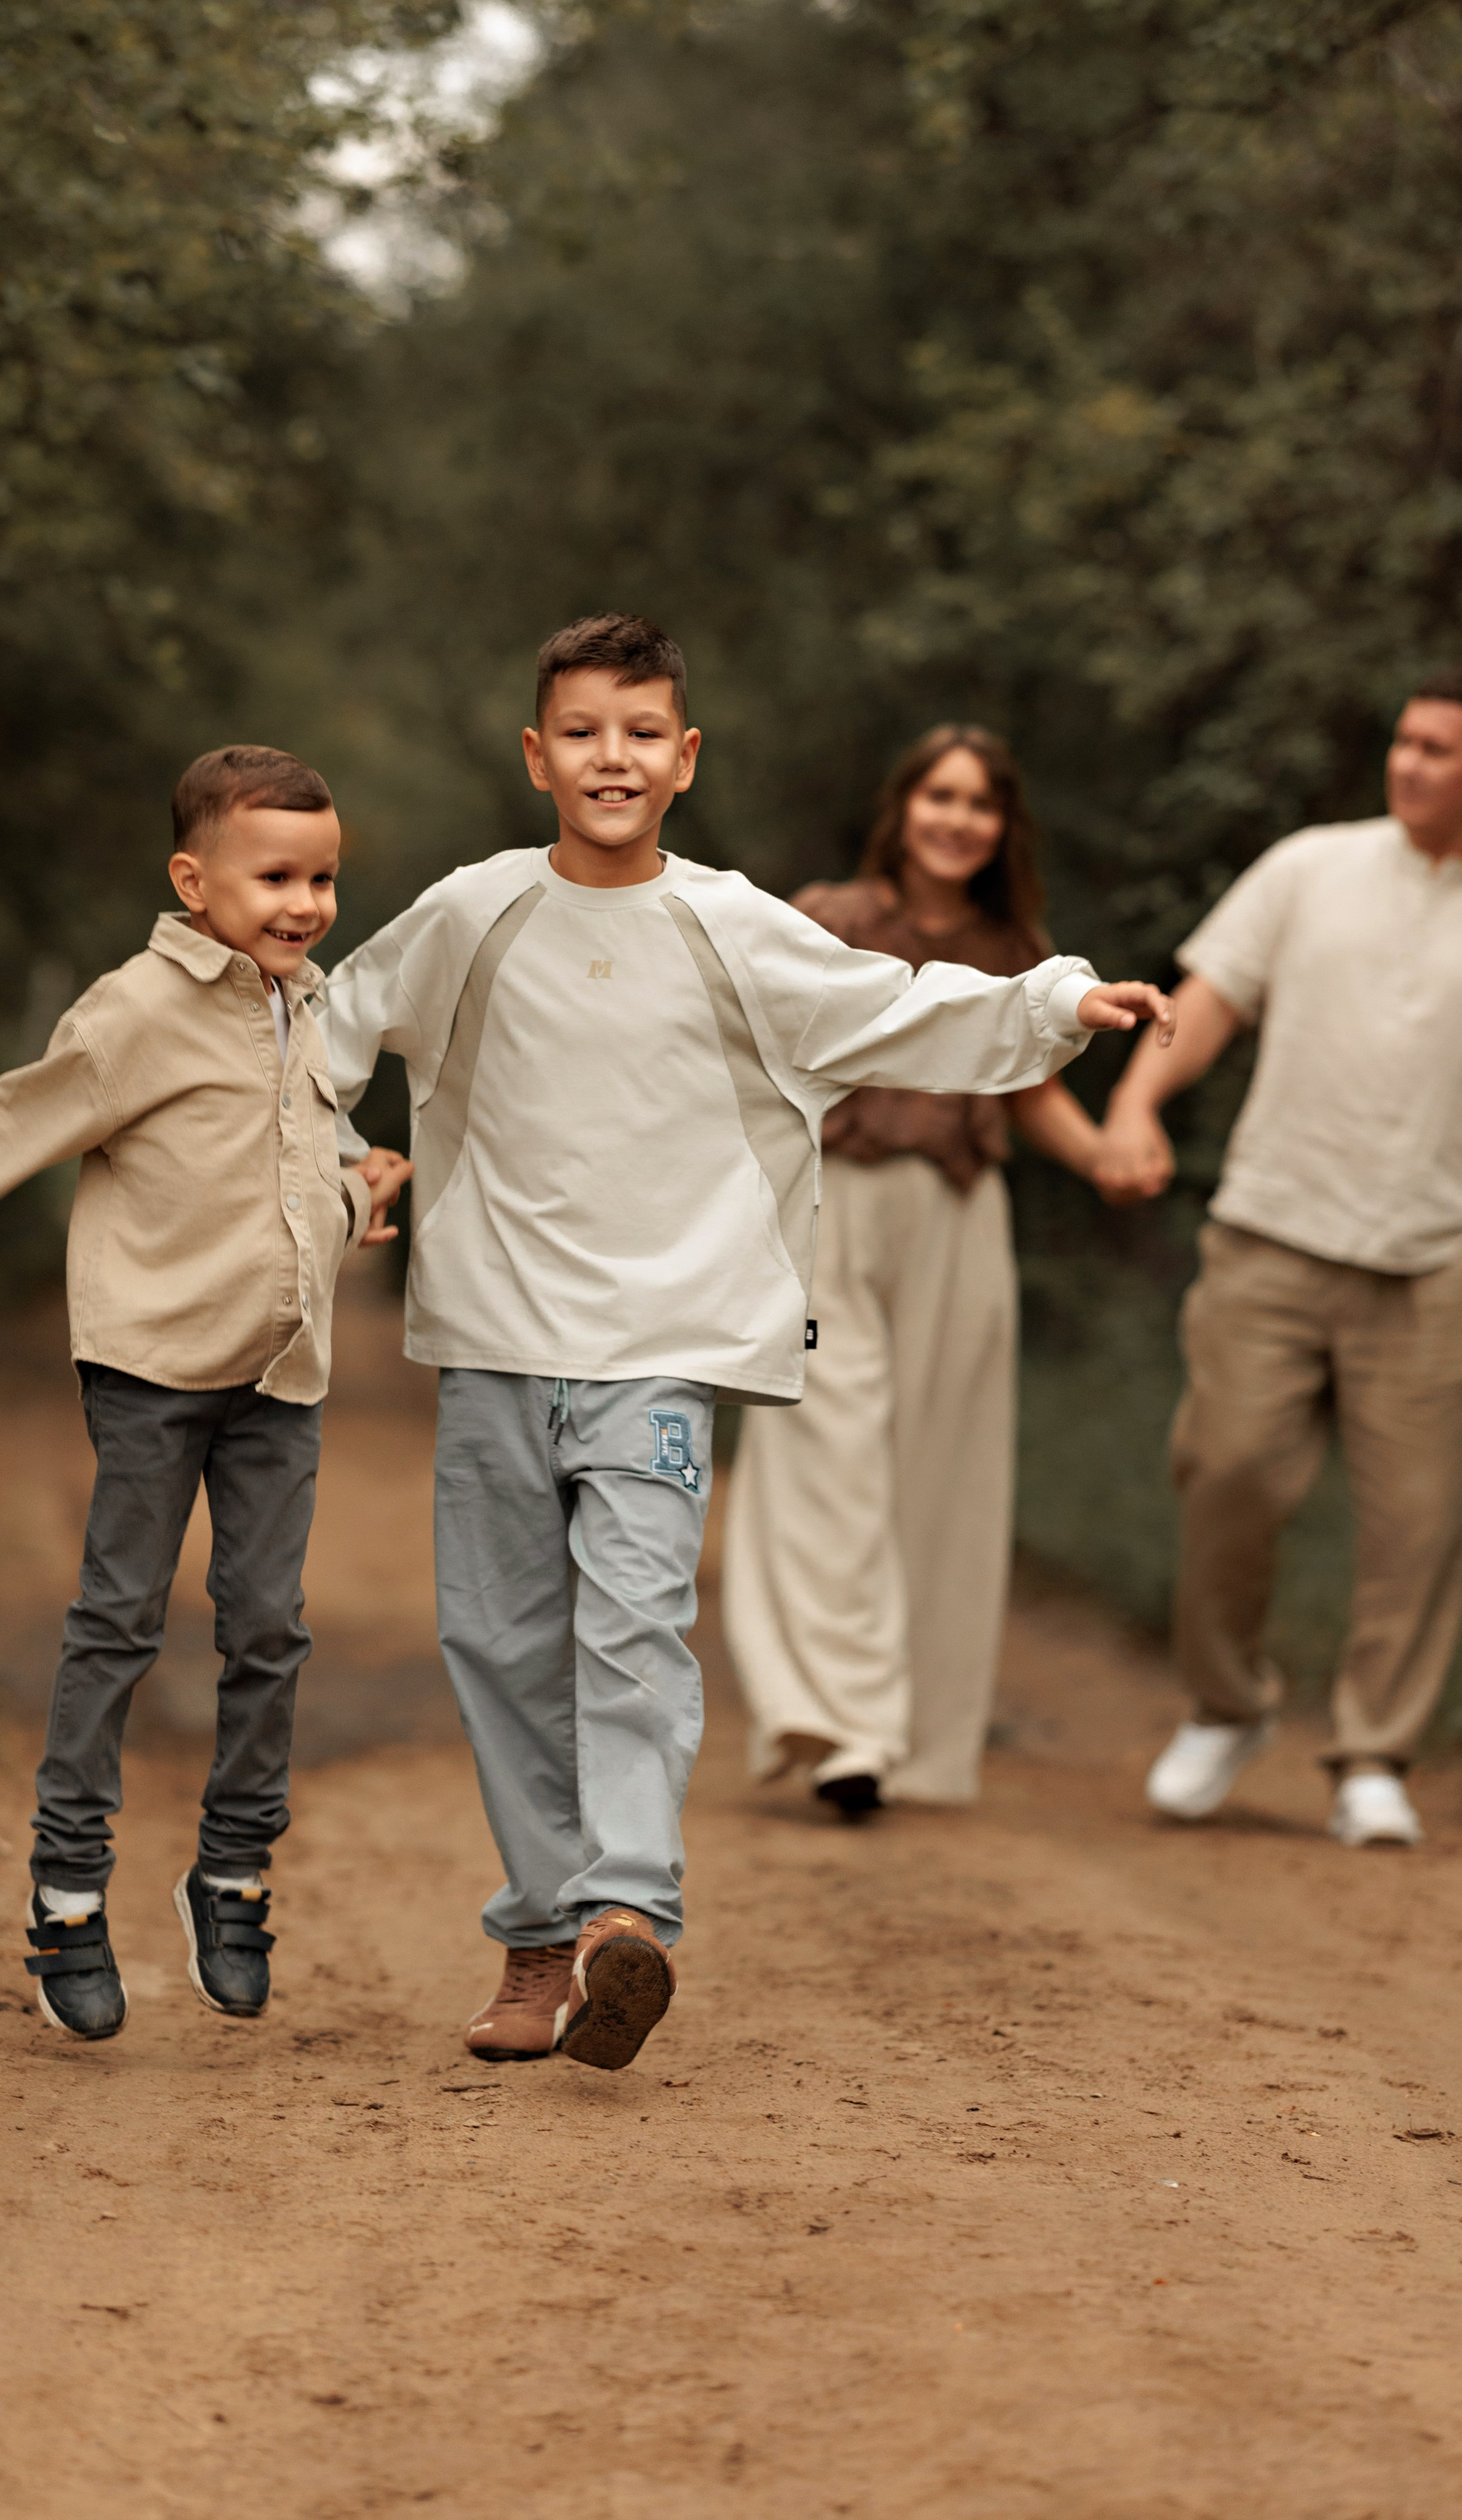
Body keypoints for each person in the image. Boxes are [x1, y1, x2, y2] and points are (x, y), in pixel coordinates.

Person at [322, 615, 1172, 2073]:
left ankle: (619, 1918)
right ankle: (534, 1936)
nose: (612, 757)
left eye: (641, 731)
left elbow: (895, 1002)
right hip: (494, 1342)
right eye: (582, 730)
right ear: (536, 755)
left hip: (663, 1339)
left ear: (684, 757)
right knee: (501, 1640)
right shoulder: (469, 914)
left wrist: (1050, 1006)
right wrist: (341, 1159)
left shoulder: (732, 922)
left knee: (634, 1626)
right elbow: (325, 1030)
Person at [0, 746, 411, 2039]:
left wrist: (358, 1186)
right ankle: (66, 1894)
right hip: (153, 1365)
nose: (305, 902)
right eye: (275, 876)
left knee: (268, 1626)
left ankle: (232, 1871)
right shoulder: (135, 1010)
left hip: (280, 1372)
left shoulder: (304, 1005)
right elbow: (18, 1118)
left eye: (322, 877)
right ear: (192, 879)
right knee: (119, 1620)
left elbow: (291, 1155)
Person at [1096, 669, 1462, 1847]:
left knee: (1419, 1520)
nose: (1413, 766)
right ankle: (1226, 1705)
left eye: (1442, 752)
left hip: (1433, 1261)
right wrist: (1138, 1103)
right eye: (1406, 742)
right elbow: (1207, 1003)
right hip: (1271, 1231)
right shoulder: (1311, 865)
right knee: (1230, 1468)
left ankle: (1373, 1756)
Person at [722, 727, 1107, 1821]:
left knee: (943, 1459)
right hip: (830, 1205)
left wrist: (1105, 1155)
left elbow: (1031, 1092)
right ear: (903, 806)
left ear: (1002, 828)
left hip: (956, 1209)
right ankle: (841, 1725)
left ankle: (920, 1736)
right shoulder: (829, 919)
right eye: (940, 795)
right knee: (823, 1447)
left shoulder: (1012, 941)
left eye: (980, 803)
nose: (957, 818)